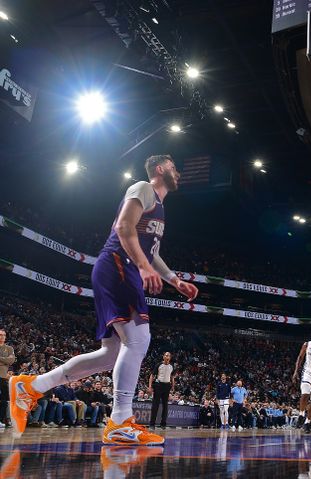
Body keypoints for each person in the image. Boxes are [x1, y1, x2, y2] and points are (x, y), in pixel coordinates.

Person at [8, 155, 198, 445]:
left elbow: (152, 253)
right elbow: (123, 228)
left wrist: (174, 280)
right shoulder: (143, 188)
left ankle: (31, 386)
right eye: (174, 166)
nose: (178, 172)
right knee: (138, 339)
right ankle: (120, 421)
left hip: (121, 268)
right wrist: (144, 268)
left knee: (111, 354)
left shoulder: (158, 206)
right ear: (160, 169)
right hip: (117, 264)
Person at [148, 351, 175, 429]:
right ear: (163, 357)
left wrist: (173, 387)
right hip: (158, 385)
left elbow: (172, 377)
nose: (167, 357)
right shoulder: (159, 365)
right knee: (155, 405)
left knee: (165, 405)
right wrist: (150, 386)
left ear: (170, 358)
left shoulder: (172, 366)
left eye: (168, 356)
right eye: (166, 355)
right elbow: (152, 375)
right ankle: (152, 424)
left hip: (167, 386)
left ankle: (163, 424)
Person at [0, 329, 14, 429]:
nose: (2, 337)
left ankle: (1, 420)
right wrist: (4, 361)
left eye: (4, 335)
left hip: (3, 377)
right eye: (0, 335)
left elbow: (11, 360)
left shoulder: (9, 348)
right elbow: (7, 361)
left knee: (4, 401)